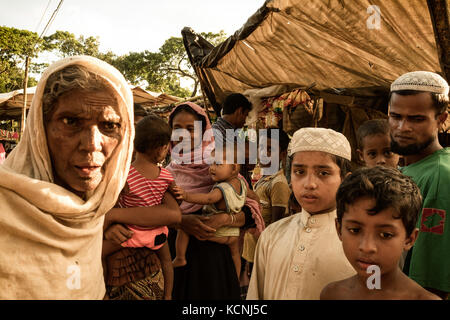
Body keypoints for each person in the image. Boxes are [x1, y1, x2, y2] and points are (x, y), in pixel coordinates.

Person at [0, 56, 134, 299]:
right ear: (40, 128)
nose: (92, 145)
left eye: (109, 125)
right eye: (70, 121)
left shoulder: (93, 209)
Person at [166, 102, 264, 300]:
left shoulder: (220, 166)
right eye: (177, 128)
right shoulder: (166, 173)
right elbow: (149, 214)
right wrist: (181, 221)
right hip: (176, 260)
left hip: (214, 263)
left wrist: (225, 220)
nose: (183, 135)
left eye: (191, 129)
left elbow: (250, 209)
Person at [246, 127, 355, 300]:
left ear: (345, 180)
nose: (309, 184)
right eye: (300, 172)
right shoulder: (271, 235)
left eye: (323, 173)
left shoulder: (358, 244)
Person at [321, 166, 440, 300]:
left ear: (409, 239)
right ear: (339, 229)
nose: (367, 247)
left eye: (386, 235)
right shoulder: (333, 294)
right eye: (355, 230)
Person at [102, 114, 177, 300]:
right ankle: (168, 296)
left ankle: (101, 292)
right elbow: (177, 201)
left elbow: (113, 203)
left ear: (134, 144)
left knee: (98, 254)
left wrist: (106, 227)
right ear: (162, 149)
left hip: (128, 233)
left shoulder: (124, 175)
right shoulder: (166, 176)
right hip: (157, 233)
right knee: (167, 261)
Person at [388, 71, 449, 299]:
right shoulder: (411, 168)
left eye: (416, 119)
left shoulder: (441, 176)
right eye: (396, 116)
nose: (402, 127)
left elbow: (432, 281)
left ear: (441, 120)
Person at [172, 146, 247, 278]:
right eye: (211, 163)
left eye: (217, 164)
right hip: (233, 234)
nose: (212, 168)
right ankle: (235, 277)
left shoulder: (222, 188)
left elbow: (207, 198)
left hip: (217, 232)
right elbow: (250, 195)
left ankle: (180, 257)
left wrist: (186, 196)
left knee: (185, 229)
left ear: (234, 168)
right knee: (235, 255)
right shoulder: (241, 183)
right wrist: (256, 199)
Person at [241, 128, 291, 286]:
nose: (263, 152)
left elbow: (277, 227)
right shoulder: (264, 179)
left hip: (264, 255)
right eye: (261, 147)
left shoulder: (278, 184)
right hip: (252, 252)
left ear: (282, 154)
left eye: (270, 149)